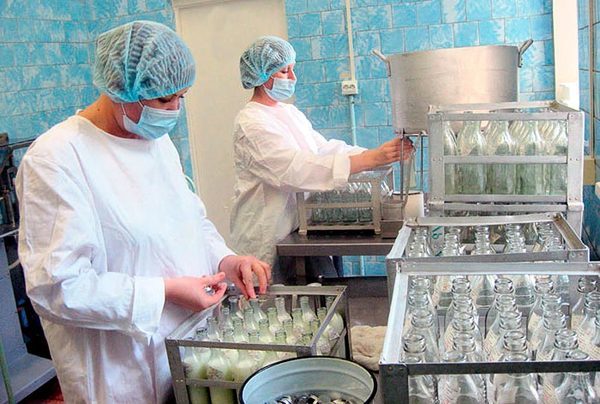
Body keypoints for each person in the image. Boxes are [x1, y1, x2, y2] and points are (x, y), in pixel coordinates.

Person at [16, 21, 270, 403]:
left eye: (181, 97)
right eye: (165, 100)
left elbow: (191, 221)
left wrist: (226, 259)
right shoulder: (56, 159)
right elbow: (57, 288)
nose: (175, 110)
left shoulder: (157, 142)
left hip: (185, 353)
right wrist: (164, 293)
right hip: (121, 373)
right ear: (119, 89)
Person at [230, 36, 413, 283]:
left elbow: (323, 150)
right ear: (262, 75)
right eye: (284, 71)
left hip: (300, 229)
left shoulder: (289, 113)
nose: (292, 78)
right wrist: (370, 159)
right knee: (278, 301)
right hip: (268, 236)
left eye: (293, 69)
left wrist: (375, 155)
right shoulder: (251, 123)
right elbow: (294, 170)